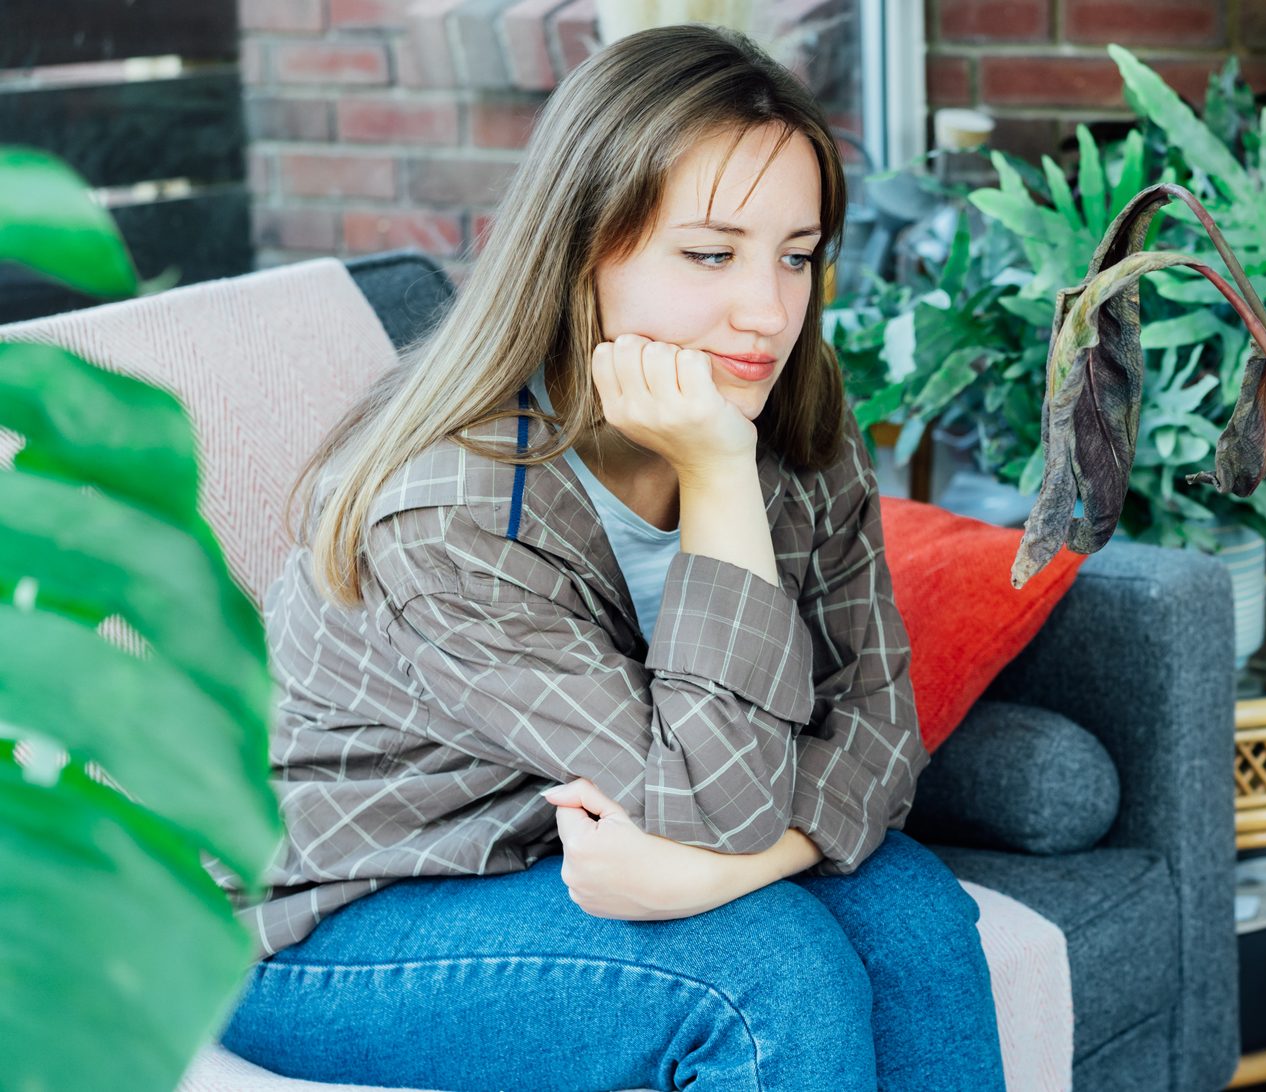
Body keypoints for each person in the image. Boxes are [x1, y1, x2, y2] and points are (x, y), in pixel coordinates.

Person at [215, 22, 1007, 1092]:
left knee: (912, 914)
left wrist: (730, 868)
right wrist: (719, 480)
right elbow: (711, 800)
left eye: (797, 255)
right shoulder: (447, 511)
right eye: (710, 254)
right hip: (326, 922)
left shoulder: (796, 419)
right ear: (586, 249)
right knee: (764, 971)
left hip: (544, 856)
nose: (767, 311)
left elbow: (876, 727)